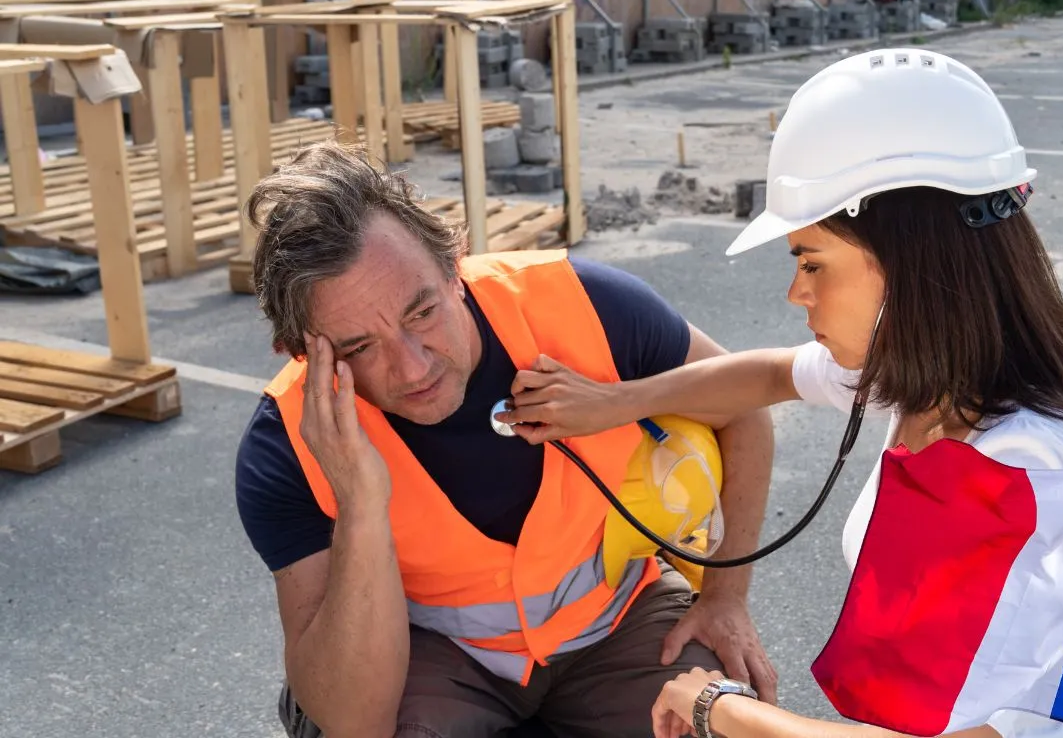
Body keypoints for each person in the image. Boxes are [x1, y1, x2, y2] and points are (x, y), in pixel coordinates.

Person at [494, 47, 1063, 738]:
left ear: (910, 266)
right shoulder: (937, 382)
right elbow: (767, 375)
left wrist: (718, 706)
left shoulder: (1020, 468)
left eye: (813, 263)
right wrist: (613, 404)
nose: (796, 292)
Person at [232, 140, 779, 738]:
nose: (414, 368)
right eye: (360, 347)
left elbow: (744, 406)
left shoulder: (582, 304)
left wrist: (725, 597)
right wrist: (360, 502)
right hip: (432, 654)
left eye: (422, 313)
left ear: (455, 268)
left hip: (615, 618)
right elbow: (354, 720)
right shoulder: (285, 445)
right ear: (299, 351)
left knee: (725, 723)